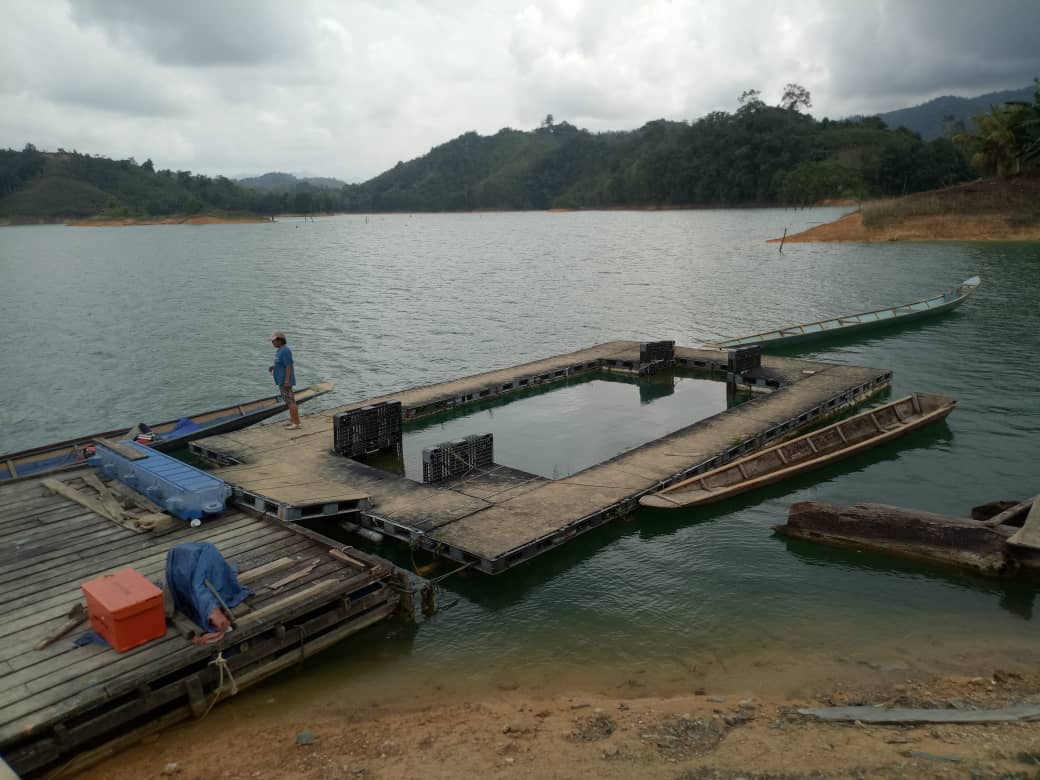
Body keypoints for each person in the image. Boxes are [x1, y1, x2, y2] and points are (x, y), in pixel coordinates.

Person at [269, 330, 301, 429]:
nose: (272, 342)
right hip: (281, 380)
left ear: (280, 340)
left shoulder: (285, 350)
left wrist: (287, 381)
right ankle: (292, 420)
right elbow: (281, 364)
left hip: (285, 380)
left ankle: (296, 423)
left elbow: (288, 366)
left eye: (274, 341)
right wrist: (273, 367)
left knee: (291, 401)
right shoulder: (279, 350)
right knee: (287, 400)